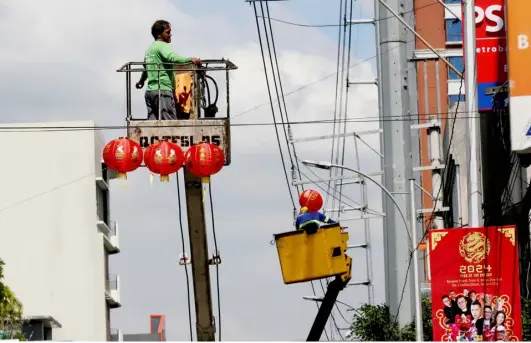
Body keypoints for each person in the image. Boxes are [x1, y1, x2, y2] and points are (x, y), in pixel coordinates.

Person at [136, 20, 201, 120]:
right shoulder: (162, 46)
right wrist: (190, 59)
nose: (170, 35)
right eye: (167, 32)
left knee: (153, 125)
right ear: (159, 34)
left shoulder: (149, 49)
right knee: (170, 125)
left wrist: (141, 81)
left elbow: (147, 68)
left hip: (150, 93)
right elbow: (173, 58)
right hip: (162, 91)